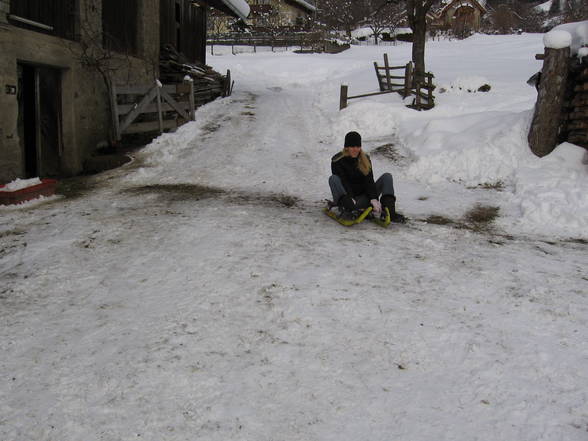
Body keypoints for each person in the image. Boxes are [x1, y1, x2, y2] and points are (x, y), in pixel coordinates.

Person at [329, 131, 406, 223]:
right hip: (348, 200)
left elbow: (369, 180)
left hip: (364, 199)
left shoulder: (365, 158)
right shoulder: (338, 160)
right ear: (346, 147)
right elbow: (344, 181)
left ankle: (389, 212)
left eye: (358, 147)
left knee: (387, 177)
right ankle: (348, 210)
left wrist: (374, 198)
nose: (355, 149)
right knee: (333, 179)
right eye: (352, 147)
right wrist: (350, 199)